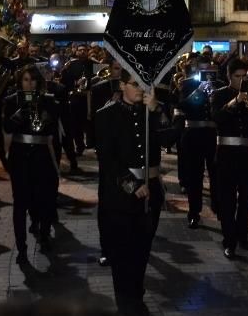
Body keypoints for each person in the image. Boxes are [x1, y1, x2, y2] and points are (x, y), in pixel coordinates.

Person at [95, 70, 164, 315]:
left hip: (151, 190)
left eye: (145, 85)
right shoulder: (106, 115)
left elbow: (170, 137)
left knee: (142, 247)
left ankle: (135, 290)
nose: (141, 89)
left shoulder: (152, 110)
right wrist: (131, 185)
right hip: (121, 194)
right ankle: (126, 299)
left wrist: (156, 111)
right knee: (122, 250)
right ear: (123, 85)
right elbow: (108, 159)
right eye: (136, 84)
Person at [211, 58, 248, 259]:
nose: (242, 80)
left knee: (247, 197)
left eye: (246, 76)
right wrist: (235, 102)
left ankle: (242, 234)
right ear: (229, 77)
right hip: (226, 154)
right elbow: (217, 119)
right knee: (227, 199)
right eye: (238, 77)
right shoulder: (220, 95)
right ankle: (229, 240)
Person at [3, 66, 60, 258]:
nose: (29, 83)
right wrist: (20, 113)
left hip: (41, 154)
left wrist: (45, 117)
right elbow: (8, 128)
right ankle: (21, 247)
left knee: (44, 198)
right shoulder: (12, 101)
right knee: (20, 202)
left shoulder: (48, 100)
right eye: (26, 79)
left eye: (33, 80)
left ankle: (44, 236)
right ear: (20, 82)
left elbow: (53, 132)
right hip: (20, 156)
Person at [177, 59, 219, 228]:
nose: (205, 73)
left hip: (213, 135)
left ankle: (218, 206)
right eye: (202, 70)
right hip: (193, 134)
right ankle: (194, 212)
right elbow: (183, 106)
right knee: (194, 176)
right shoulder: (187, 84)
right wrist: (199, 92)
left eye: (208, 69)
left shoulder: (220, 84)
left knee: (216, 174)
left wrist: (213, 93)